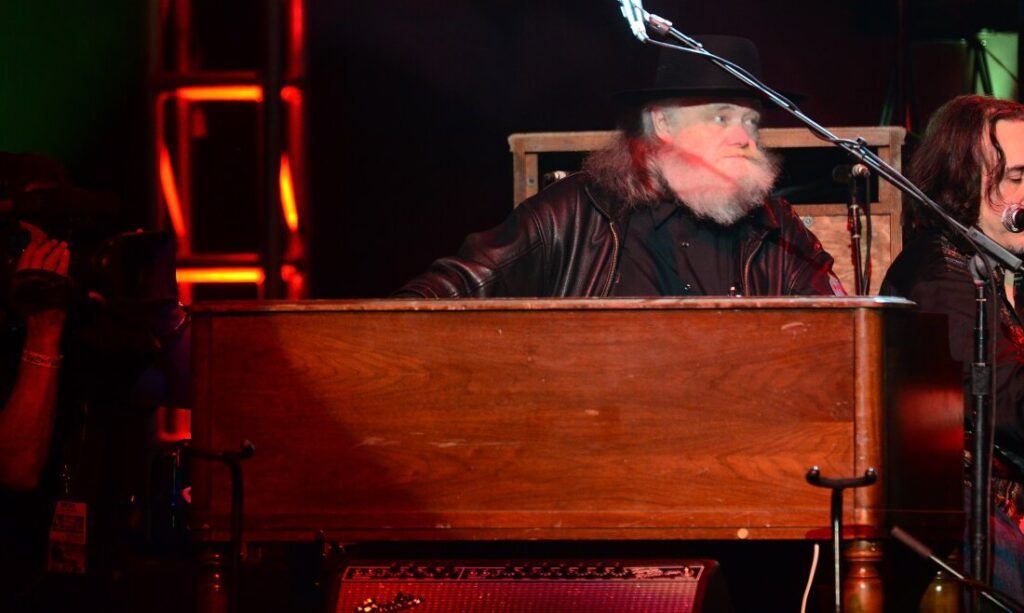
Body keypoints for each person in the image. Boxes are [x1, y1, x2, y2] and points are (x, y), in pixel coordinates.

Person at [395, 36, 844, 298]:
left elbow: (836, 338)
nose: (744, 136)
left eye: (751, 121)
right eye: (721, 116)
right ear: (662, 122)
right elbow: (447, 291)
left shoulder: (780, 232)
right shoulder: (572, 213)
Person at [881, 94, 1024, 600]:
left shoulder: (1004, 265)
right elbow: (1009, 412)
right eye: (1016, 179)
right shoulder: (941, 280)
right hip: (968, 511)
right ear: (962, 182)